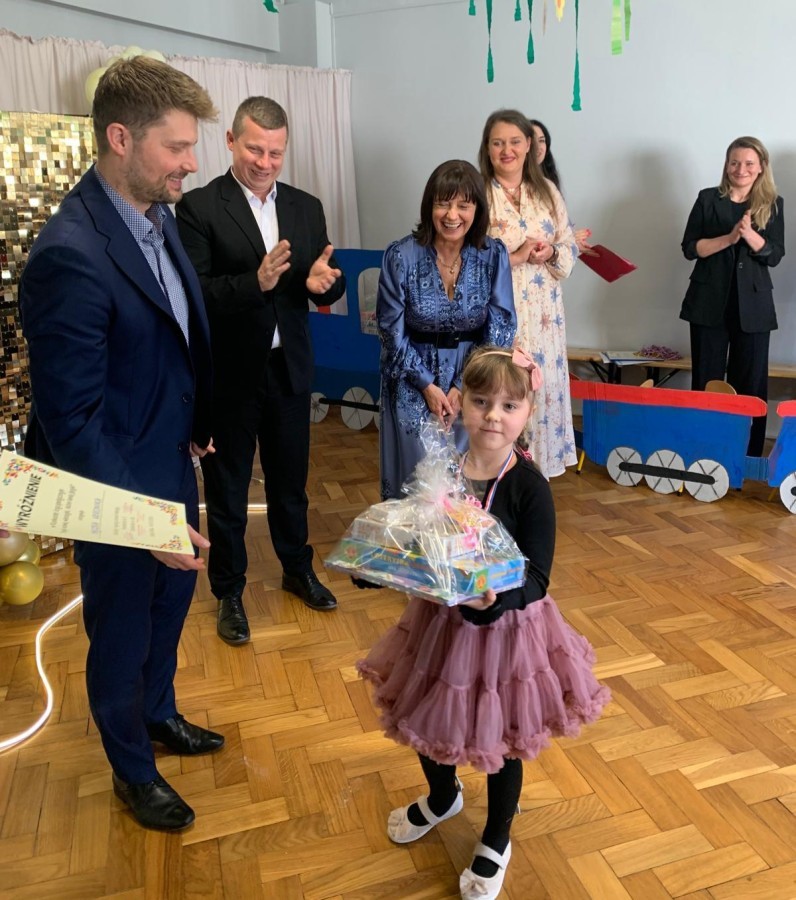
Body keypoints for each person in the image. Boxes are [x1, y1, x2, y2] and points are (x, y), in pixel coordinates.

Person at [20, 57, 221, 831]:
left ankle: (159, 712)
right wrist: (143, 521)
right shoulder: (68, 254)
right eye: (177, 146)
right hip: (114, 494)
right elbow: (71, 421)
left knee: (170, 609)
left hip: (170, 463)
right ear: (120, 138)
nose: (191, 162)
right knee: (121, 632)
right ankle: (131, 769)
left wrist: (195, 426)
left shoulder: (157, 216)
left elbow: (168, 339)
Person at [358, 345, 609, 900]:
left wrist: (496, 602)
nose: (493, 416)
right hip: (440, 623)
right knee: (423, 712)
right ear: (461, 403)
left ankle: (497, 835)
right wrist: (388, 563)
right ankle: (443, 797)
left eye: (509, 406)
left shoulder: (529, 486)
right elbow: (423, 539)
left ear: (528, 412)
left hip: (507, 631)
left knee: (503, 736)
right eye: (481, 402)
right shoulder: (443, 471)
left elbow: (539, 577)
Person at [176, 97, 346, 640]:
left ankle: (297, 568)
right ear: (230, 141)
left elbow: (326, 275)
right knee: (227, 491)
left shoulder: (306, 206)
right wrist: (257, 282)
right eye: (255, 150)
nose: (265, 163)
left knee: (290, 483)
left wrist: (326, 285)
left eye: (275, 153)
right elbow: (195, 295)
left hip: (288, 368)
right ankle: (229, 591)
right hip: (230, 375)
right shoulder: (199, 207)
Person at [377, 159, 515, 500]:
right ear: (430, 207)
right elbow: (390, 331)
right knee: (416, 482)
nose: (452, 215)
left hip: (474, 378)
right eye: (443, 203)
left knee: (467, 478)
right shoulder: (400, 256)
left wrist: (462, 385)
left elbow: (501, 325)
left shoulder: (493, 254)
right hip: (411, 377)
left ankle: (464, 535)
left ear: (476, 209)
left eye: (463, 205)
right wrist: (427, 386)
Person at [479, 110, 578, 478]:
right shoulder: (479, 194)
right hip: (500, 318)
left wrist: (551, 251)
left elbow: (568, 246)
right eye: (498, 142)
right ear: (487, 148)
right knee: (504, 394)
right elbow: (466, 260)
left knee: (541, 397)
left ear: (528, 147)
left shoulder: (547, 191)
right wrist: (516, 256)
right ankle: (498, 482)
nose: (507, 150)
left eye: (514, 142)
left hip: (546, 320)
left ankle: (533, 482)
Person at [680, 136, 784, 456]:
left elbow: (775, 255)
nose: (741, 169)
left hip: (753, 307)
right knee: (706, 380)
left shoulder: (773, 203)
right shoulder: (707, 198)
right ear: (726, 165)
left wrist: (750, 235)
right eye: (734, 162)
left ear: (761, 167)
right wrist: (729, 238)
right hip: (708, 304)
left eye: (749, 163)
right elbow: (690, 248)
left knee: (750, 384)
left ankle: (748, 454)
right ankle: (704, 450)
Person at [529, 118, 593, 254]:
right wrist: (567, 240)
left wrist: (572, 242)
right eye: (532, 141)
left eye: (542, 140)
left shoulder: (549, 185)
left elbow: (559, 232)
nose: (538, 146)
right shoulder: (508, 187)